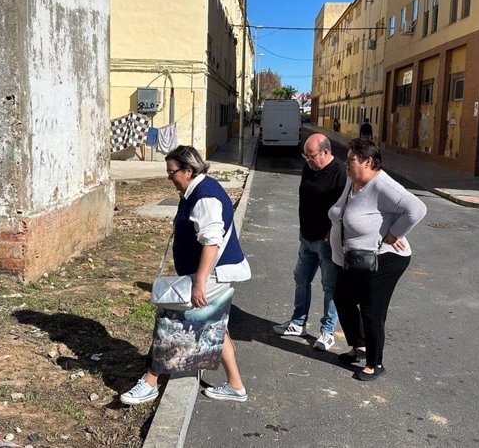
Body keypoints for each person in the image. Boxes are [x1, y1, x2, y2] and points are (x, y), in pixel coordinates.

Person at [120, 145, 252, 405]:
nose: (170, 178)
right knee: (212, 322)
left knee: (174, 320)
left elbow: (211, 242)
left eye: (172, 173)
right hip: (209, 272)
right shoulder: (196, 190)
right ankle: (236, 386)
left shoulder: (204, 196)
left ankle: (150, 381)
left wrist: (199, 283)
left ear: (188, 170)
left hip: (213, 274)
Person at [329, 138, 426, 381]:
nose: (346, 164)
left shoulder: (382, 185)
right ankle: (359, 347)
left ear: (368, 161)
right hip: (354, 259)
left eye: (351, 159)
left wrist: (393, 234)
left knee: (372, 309)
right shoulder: (354, 183)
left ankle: (375, 363)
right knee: (342, 298)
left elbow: (417, 209)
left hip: (384, 259)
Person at [273, 133, 346, 351]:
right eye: (305, 156)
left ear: (325, 152)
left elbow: (343, 209)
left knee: (329, 287)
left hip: (326, 241)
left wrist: (331, 232)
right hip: (306, 237)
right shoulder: (309, 167)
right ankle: (298, 323)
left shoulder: (340, 173)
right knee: (301, 279)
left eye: (311, 155)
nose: (307, 160)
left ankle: (327, 331)